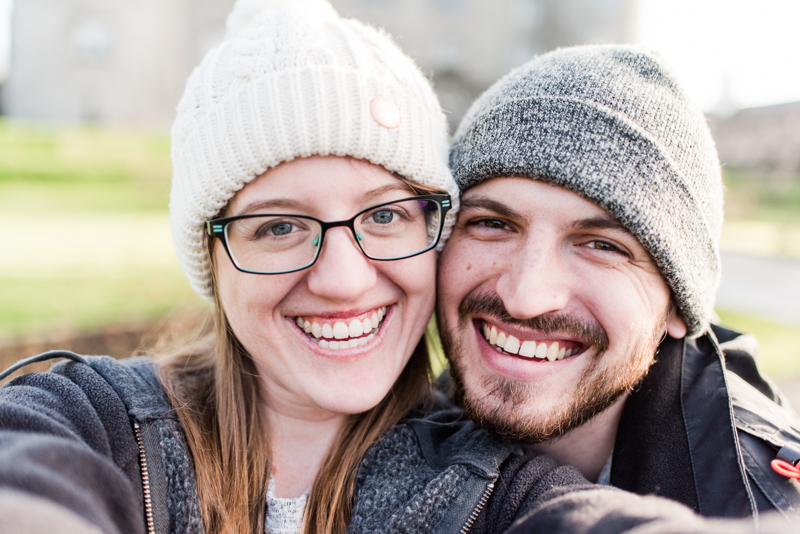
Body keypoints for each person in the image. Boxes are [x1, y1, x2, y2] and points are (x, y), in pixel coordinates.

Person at [437, 44, 800, 520]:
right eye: (493, 224)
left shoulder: (757, 506)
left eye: (602, 245)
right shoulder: (382, 429)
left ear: (677, 305)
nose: (525, 297)